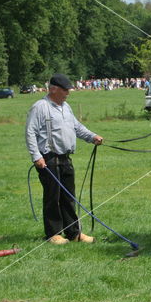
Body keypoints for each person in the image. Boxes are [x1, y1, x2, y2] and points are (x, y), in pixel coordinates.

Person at [26, 73, 104, 245]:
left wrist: (92, 137)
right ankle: (53, 234)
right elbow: (30, 132)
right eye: (64, 90)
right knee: (53, 197)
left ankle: (74, 233)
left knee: (69, 197)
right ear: (53, 89)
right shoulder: (40, 107)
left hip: (65, 158)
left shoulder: (66, 107)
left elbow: (77, 127)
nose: (67, 93)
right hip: (48, 158)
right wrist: (36, 156)